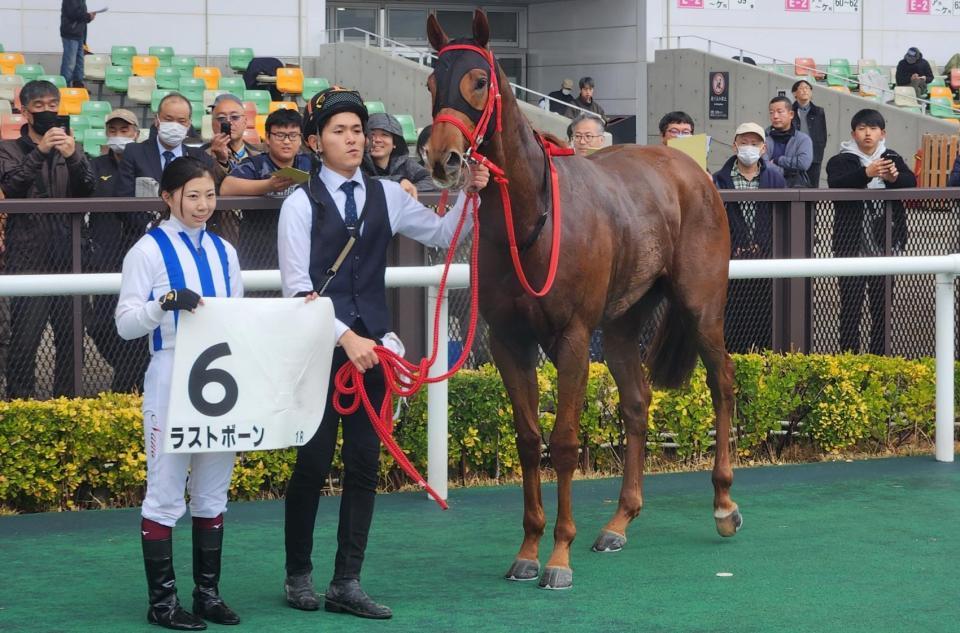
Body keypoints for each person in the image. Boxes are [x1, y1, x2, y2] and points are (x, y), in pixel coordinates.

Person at [277, 87, 489, 619]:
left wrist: (469, 190)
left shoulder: (388, 195)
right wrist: (345, 337)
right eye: (339, 132)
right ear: (314, 142)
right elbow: (297, 290)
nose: (352, 140)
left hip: (373, 353)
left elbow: (442, 235)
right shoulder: (299, 204)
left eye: (357, 131)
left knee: (364, 465)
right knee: (312, 462)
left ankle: (346, 580)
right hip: (321, 352)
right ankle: (297, 574)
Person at [115, 157, 243, 630]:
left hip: (221, 380)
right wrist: (162, 304)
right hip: (170, 375)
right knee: (165, 495)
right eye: (193, 195)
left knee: (212, 496)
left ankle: (207, 595)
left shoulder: (225, 251)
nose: (203, 205)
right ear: (168, 197)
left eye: (210, 195)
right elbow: (125, 324)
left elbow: (237, 317)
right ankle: (162, 604)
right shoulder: (146, 252)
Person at [0, 79, 95, 398]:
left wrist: (73, 157)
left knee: (70, 340)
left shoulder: (72, 146)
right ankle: (20, 406)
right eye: (38, 107)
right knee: (25, 341)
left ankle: (68, 406)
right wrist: (39, 153)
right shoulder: (9, 148)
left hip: (69, 256)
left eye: (52, 106)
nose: (47, 112)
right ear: (25, 113)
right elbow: (9, 188)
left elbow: (88, 190)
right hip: (28, 258)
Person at [826, 109, 916, 355]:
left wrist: (894, 178)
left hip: (886, 244)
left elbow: (911, 182)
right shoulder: (840, 160)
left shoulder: (891, 157)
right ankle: (849, 359)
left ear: (883, 133)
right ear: (853, 134)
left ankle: (880, 359)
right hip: (850, 244)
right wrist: (866, 173)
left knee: (882, 308)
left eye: (874, 128)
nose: (868, 133)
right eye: (862, 128)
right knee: (850, 307)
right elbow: (836, 183)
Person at [86, 108, 150, 392]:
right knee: (100, 324)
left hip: (141, 259)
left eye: (125, 131)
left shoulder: (147, 164)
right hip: (104, 259)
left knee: (137, 322)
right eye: (113, 130)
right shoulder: (95, 165)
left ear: (137, 134)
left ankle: (126, 385)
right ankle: (129, 373)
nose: (119, 136)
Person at [712, 122, 786, 353]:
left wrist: (766, 246)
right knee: (732, 320)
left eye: (755, 143)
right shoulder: (719, 180)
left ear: (763, 149)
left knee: (766, 321)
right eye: (744, 143)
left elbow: (781, 220)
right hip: (731, 262)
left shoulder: (775, 179)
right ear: (735, 146)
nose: (749, 148)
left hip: (766, 261)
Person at [221, 108, 310, 269]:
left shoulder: (310, 164)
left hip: (300, 245)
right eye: (280, 135)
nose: (287, 141)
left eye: (293, 135)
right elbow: (227, 187)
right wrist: (268, 186)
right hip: (259, 248)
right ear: (267, 138)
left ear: (301, 139)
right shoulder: (255, 164)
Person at [115, 93, 214, 199]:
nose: (174, 126)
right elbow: (124, 199)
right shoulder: (134, 153)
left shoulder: (200, 158)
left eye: (181, 121)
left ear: (189, 124)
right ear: (156, 120)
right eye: (168, 119)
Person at [360, 112, 436, 197]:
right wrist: (399, 181)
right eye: (372, 135)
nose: (377, 140)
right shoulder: (357, 162)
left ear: (395, 143)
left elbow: (429, 180)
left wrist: (409, 189)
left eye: (384, 135)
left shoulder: (405, 163)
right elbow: (361, 182)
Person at [765, 95, 812, 188]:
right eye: (771, 112)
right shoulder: (763, 138)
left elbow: (803, 163)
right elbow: (763, 164)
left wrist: (778, 160)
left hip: (795, 189)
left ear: (791, 114)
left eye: (780, 112)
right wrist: (787, 171)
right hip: (768, 188)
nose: (775, 116)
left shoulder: (803, 139)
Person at [791, 79, 827, 188]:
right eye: (801, 88)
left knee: (813, 185)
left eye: (807, 88)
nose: (805, 90)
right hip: (794, 153)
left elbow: (823, 133)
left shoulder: (819, 111)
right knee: (794, 184)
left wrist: (819, 148)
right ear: (794, 93)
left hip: (814, 154)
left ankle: (812, 205)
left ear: (811, 93)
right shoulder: (790, 111)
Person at [60, 0, 95, 88]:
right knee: (69, 63)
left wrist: (88, 18)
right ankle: (65, 86)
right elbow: (73, 14)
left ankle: (78, 84)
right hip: (71, 33)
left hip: (79, 34)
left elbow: (79, 16)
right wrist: (88, 16)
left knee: (79, 61)